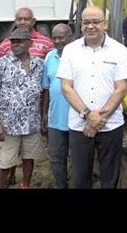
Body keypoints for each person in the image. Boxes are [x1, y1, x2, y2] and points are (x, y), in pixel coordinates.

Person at [57, 6, 127, 188]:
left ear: (104, 24)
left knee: (110, 177)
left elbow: (121, 88)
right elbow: (66, 87)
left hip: (111, 125)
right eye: (86, 22)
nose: (91, 26)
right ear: (81, 25)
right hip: (79, 126)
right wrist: (87, 115)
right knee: (80, 178)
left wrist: (99, 119)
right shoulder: (70, 50)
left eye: (96, 22)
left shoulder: (120, 50)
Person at [0, 7, 53, 185]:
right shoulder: (5, 45)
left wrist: (43, 113)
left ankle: (25, 184)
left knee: (30, 153)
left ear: (33, 21)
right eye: (18, 19)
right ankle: (10, 177)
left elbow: (48, 78)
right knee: (8, 155)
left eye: (25, 19)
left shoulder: (45, 44)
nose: (22, 22)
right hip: (9, 114)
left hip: (34, 112)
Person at [0, 28, 45, 188]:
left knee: (29, 158)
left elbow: (44, 91)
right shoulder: (0, 63)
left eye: (20, 41)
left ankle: (26, 185)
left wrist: (43, 117)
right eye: (13, 41)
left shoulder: (39, 64)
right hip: (8, 126)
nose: (15, 44)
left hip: (32, 123)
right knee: (4, 162)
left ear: (30, 43)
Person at [41, 23, 74, 188]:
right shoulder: (49, 57)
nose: (57, 41)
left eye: (61, 37)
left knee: (78, 159)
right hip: (56, 118)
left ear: (71, 37)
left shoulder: (80, 56)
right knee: (56, 158)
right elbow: (46, 88)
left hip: (77, 118)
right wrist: (45, 114)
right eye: (54, 38)